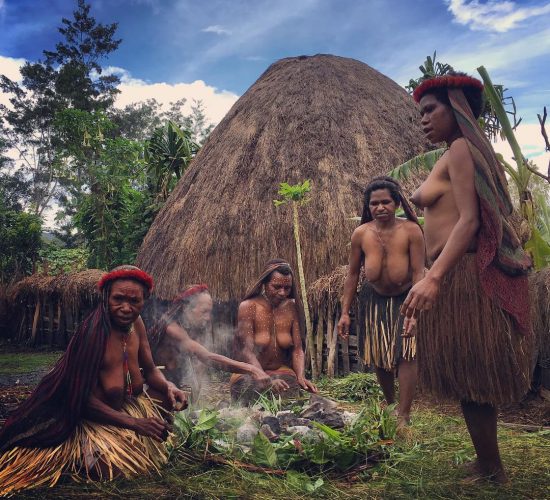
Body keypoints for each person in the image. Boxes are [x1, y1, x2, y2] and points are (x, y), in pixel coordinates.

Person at [402, 73, 532, 482]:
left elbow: (470, 222)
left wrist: (434, 277)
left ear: (455, 108)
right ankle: (487, 462)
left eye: (430, 110)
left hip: (460, 275)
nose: (423, 119)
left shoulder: (460, 148)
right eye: (420, 112)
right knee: (467, 373)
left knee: (473, 373)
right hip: (451, 273)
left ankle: (493, 468)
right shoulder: (455, 152)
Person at [0, 265, 187, 496]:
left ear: (144, 300)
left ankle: (131, 444)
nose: (126, 308)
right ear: (106, 297)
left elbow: (149, 370)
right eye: (118, 299)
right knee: (115, 470)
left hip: (129, 406)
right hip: (93, 418)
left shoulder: (137, 325)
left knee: (166, 400)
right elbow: (79, 398)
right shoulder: (93, 334)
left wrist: (170, 386)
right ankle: (83, 453)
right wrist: (135, 424)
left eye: (134, 301)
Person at [337, 176, 425, 426]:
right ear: (368, 206)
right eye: (374, 203)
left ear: (396, 202)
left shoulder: (411, 229)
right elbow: (352, 274)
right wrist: (345, 312)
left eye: (385, 202)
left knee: (407, 353)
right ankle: (391, 404)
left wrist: (414, 311)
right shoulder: (361, 233)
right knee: (379, 354)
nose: (380, 207)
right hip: (372, 298)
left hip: (405, 298)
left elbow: (419, 271)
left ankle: (404, 415)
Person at [149, 284, 271, 402]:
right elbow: (207, 357)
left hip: (178, 389)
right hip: (155, 391)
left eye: (209, 312)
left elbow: (201, 366)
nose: (208, 318)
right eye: (204, 311)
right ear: (187, 308)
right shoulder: (172, 329)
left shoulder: (194, 329)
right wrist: (251, 369)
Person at [231, 259, 318, 403]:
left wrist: (301, 377)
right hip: (250, 373)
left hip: (280, 371)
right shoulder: (248, 306)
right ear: (264, 284)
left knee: (288, 392)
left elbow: (297, 349)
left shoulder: (292, 307)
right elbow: (246, 351)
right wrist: (264, 379)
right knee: (247, 391)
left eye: (287, 288)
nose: (282, 292)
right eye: (276, 287)